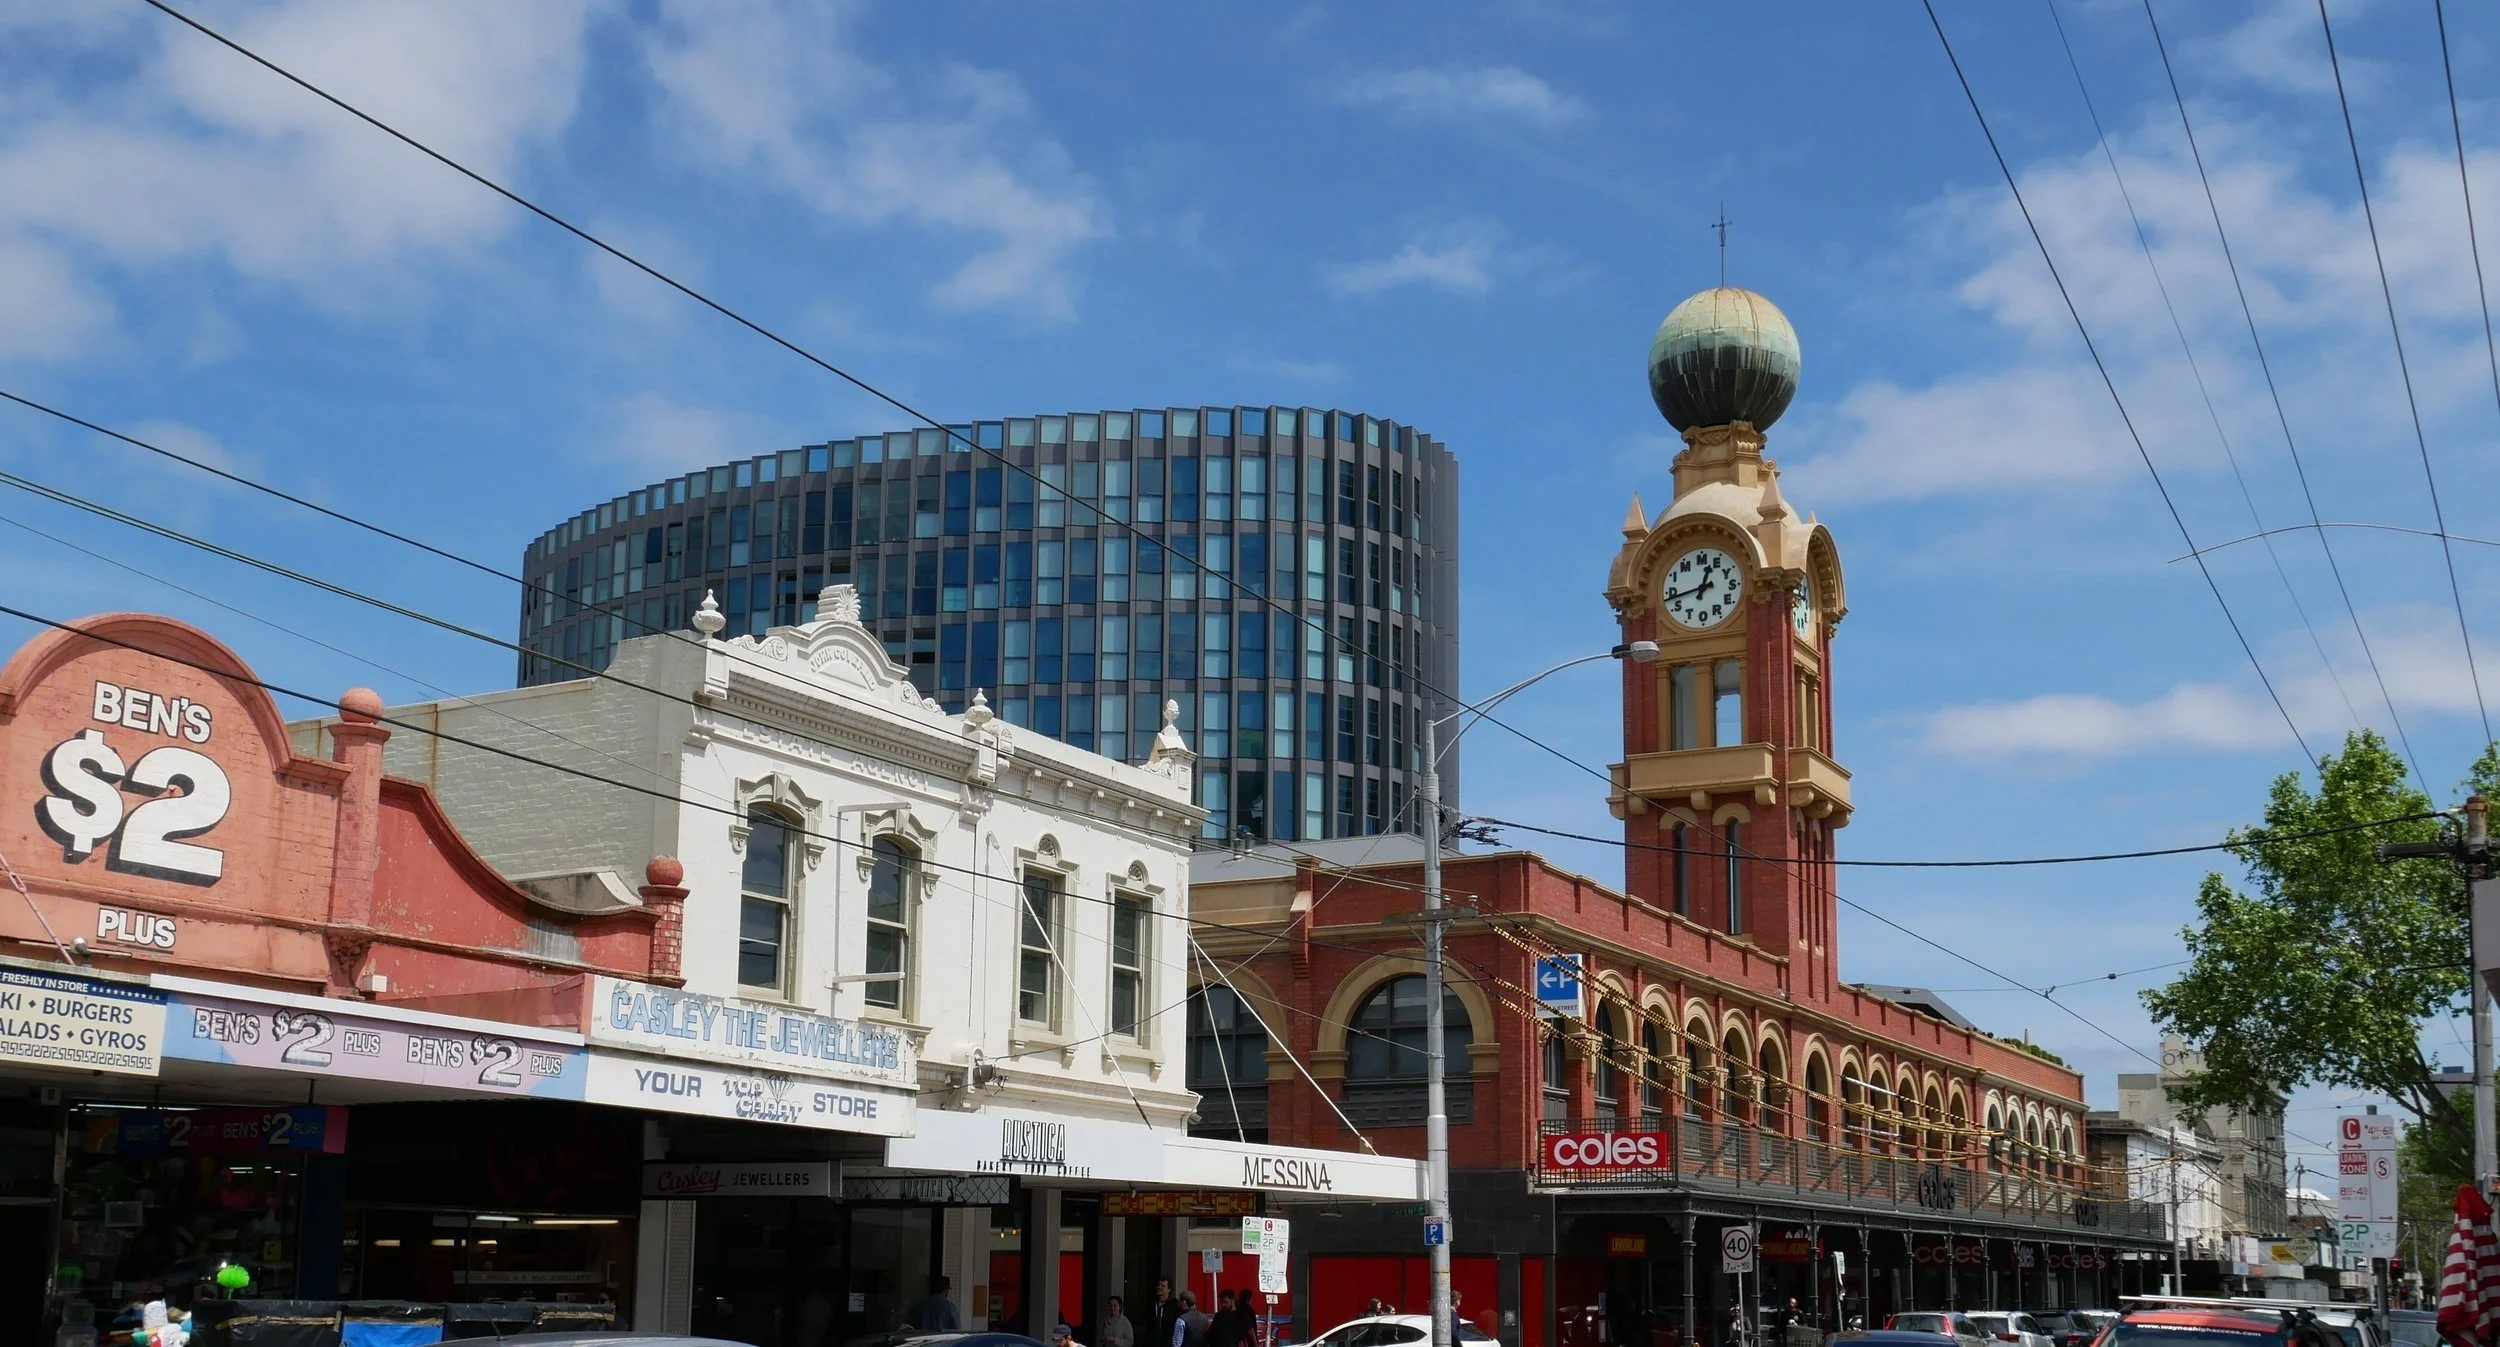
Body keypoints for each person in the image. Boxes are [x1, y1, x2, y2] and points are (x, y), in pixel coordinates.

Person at [1156, 1278, 1183, 1347]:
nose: (1159, 1287)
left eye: (1163, 1286)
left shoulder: (1174, 1305)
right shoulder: (1153, 1304)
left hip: (1169, 1343)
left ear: (1169, 1289)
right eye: (1158, 1285)